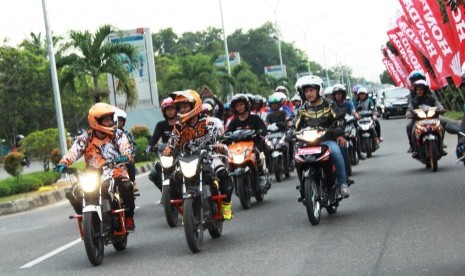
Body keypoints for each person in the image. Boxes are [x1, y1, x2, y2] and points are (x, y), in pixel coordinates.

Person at [56, 103, 136, 230]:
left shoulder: (118, 135)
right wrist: (63, 163)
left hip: (115, 170)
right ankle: (88, 219)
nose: (110, 123)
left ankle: (129, 217)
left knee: (126, 186)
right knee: (74, 192)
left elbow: (126, 149)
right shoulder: (85, 138)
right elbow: (73, 151)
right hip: (92, 174)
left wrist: (125, 156)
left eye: (111, 119)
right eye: (106, 120)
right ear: (96, 121)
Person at [163, 90, 234, 220]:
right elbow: (172, 141)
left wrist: (218, 144)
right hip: (187, 159)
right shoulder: (179, 126)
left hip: (208, 157)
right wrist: (167, 150)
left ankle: (226, 204)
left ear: (194, 105)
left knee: (224, 174)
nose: (182, 110)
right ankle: (185, 210)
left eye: (185, 106)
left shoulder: (208, 122)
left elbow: (216, 137)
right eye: (181, 107)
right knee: (173, 181)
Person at [294, 75, 350, 198]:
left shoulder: (329, 104)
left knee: (336, 152)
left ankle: (342, 184)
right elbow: (295, 125)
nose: (309, 93)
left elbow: (340, 119)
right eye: (306, 91)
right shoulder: (302, 108)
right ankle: (303, 187)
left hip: (327, 139)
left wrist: (339, 133)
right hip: (308, 142)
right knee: (297, 158)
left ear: (319, 90)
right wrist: (290, 133)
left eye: (311, 90)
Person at [226, 93, 269, 176]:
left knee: (258, 153)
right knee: (229, 159)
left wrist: (258, 132)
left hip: (254, 146)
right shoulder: (234, 122)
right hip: (238, 149)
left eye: (241, 104)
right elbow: (227, 133)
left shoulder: (255, 118)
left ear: (246, 105)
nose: (240, 107)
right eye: (237, 105)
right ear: (234, 108)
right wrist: (222, 139)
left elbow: (263, 129)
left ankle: (261, 173)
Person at [406, 79, 447, 157]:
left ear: (425, 90)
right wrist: (408, 112)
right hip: (418, 120)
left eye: (421, 89)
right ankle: (414, 148)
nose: (419, 91)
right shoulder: (414, 101)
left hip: (433, 119)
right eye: (417, 90)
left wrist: (441, 109)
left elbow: (438, 105)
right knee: (409, 127)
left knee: (442, 125)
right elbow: (409, 108)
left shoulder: (431, 98)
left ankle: (441, 146)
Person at [146, 97, 178, 192]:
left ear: (176, 110)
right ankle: (165, 192)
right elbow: (154, 138)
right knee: (153, 175)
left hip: (180, 154)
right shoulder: (161, 125)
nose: (170, 112)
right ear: (164, 112)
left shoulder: (181, 122)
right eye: (167, 110)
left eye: (172, 109)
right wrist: (150, 146)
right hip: (166, 155)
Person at [332, 84, 359, 182]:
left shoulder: (348, 103)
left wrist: (355, 115)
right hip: (333, 130)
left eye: (340, 94)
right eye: (336, 94)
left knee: (343, 146)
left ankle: (345, 175)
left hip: (346, 126)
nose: (338, 96)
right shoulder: (331, 104)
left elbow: (353, 111)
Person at [114, 107, 137, 190]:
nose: (117, 123)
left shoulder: (127, 135)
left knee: (130, 162)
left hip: (122, 158)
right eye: (116, 121)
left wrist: (127, 156)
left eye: (120, 121)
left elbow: (132, 148)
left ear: (123, 122)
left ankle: (132, 181)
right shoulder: (106, 136)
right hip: (109, 161)